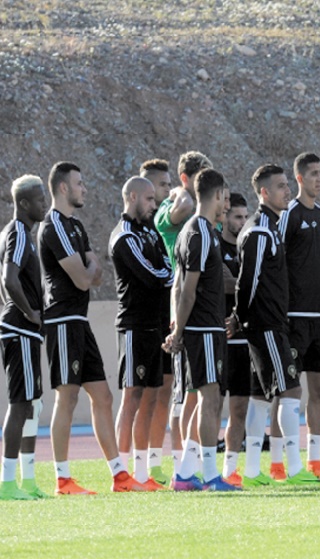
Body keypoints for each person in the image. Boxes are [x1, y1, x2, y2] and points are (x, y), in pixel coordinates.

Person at [40, 162, 144, 494]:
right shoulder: (53, 227)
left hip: (80, 322)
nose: (85, 188)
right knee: (66, 398)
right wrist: (89, 267)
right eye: (79, 183)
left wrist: (89, 267)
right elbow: (85, 277)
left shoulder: (76, 226)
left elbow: (96, 276)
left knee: (103, 396)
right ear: (63, 188)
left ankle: (119, 476)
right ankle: (62, 479)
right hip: (61, 322)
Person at [226, 164, 320, 486]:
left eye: (286, 185)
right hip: (266, 325)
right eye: (281, 186)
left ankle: (252, 472)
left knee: (260, 397)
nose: (287, 190)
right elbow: (246, 281)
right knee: (291, 389)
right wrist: (240, 317)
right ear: (264, 192)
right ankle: (294, 469)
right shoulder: (260, 231)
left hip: (265, 323)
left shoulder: (271, 227)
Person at [165, 168, 238, 491]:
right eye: (226, 196)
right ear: (219, 194)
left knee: (203, 401)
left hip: (203, 328)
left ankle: (184, 473)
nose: (227, 202)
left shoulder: (189, 231)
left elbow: (177, 285)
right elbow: (187, 289)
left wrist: (176, 327)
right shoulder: (201, 233)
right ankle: (210, 476)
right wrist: (178, 331)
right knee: (210, 400)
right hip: (203, 329)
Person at [109, 177, 173, 492]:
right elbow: (153, 275)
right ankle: (121, 475)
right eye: (149, 199)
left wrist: (169, 275)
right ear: (132, 196)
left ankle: (142, 473)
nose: (153, 205)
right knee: (131, 396)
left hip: (157, 326)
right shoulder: (124, 236)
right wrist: (171, 276)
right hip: (134, 326)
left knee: (150, 396)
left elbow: (165, 264)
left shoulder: (150, 231)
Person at [278, 152, 320, 480]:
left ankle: (315, 460)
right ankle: (282, 461)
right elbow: (278, 262)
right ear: (299, 178)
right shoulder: (290, 214)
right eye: (313, 173)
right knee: (287, 390)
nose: (319, 178)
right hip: (293, 316)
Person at [154, 151, 212, 478]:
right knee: (184, 394)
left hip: (207, 306)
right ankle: (182, 467)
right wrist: (180, 192)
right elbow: (184, 209)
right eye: (200, 177)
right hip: (183, 307)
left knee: (202, 391)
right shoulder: (170, 208)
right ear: (188, 179)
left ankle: (194, 463)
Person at [0, 175, 48, 500]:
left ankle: (28, 481)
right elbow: (8, 279)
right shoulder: (17, 232)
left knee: (34, 404)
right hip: (19, 329)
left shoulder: (25, 235)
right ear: (25, 203)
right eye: (40, 199)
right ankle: (6, 484)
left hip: (25, 331)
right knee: (20, 405)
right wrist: (31, 312)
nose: (45, 204)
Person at [139, 158, 176, 483]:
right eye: (162, 185)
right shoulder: (140, 230)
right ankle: (133, 466)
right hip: (146, 323)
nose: (167, 190)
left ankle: (154, 463)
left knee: (165, 391)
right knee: (144, 395)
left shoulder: (170, 224)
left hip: (170, 319)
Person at [218, 192, 250, 485]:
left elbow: (235, 284)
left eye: (245, 217)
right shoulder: (215, 245)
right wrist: (249, 284)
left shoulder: (249, 245)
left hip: (244, 340)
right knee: (211, 406)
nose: (241, 222)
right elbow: (223, 283)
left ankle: (230, 469)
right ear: (225, 216)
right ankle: (200, 466)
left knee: (239, 409)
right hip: (218, 339)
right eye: (236, 216)